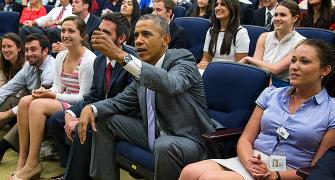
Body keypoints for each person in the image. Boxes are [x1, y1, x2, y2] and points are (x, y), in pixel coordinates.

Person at [76, 14, 216, 180]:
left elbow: (170, 84)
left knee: (165, 146)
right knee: (103, 120)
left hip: (188, 140)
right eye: (136, 35)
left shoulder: (183, 59)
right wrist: (91, 108)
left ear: (165, 39)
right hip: (153, 134)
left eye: (146, 34)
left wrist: (118, 54)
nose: (139, 40)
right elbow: (120, 101)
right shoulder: (142, 69)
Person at [179, 39, 335, 180]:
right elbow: (246, 139)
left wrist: (276, 174)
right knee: (190, 171)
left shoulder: (331, 110)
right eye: (293, 60)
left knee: (211, 179)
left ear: (325, 70)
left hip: (288, 172)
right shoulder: (271, 94)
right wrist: (250, 164)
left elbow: (318, 169)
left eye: (304, 61)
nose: (294, 66)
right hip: (253, 159)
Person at [46, 13, 136, 179]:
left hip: (120, 117)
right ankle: (71, 170)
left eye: (106, 33)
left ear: (121, 38)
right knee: (58, 120)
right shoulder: (100, 60)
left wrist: (86, 115)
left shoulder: (132, 62)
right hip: (99, 109)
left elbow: (126, 104)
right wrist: (71, 113)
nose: (99, 35)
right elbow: (92, 96)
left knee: (85, 127)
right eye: (99, 30)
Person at [13, 16, 96, 179]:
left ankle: (33, 164)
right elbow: (58, 87)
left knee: (36, 106)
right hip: (62, 98)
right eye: (63, 30)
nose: (65, 34)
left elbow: (84, 97)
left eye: (71, 31)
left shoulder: (89, 60)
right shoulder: (61, 56)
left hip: (78, 104)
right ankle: (23, 160)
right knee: (24, 102)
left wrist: (52, 94)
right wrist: (46, 91)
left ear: (82, 35)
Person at [0, 33, 55, 162]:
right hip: (29, 104)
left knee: (29, 108)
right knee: (11, 99)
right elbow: (8, 88)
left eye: (33, 49)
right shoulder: (29, 67)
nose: (29, 53)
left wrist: (8, 113)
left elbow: (42, 101)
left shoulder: (50, 69)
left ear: (45, 51)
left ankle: (3, 146)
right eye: (27, 50)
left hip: (50, 108)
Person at [241, 0, 305, 87]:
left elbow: (276, 69)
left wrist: (249, 59)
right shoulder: (263, 36)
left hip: (282, 85)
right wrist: (266, 77)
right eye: (275, 15)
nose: (277, 19)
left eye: (283, 15)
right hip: (260, 78)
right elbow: (256, 68)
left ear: (295, 18)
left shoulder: (301, 42)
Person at [197, 0, 250, 69]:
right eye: (216, 5)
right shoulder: (211, 30)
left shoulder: (241, 33)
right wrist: (201, 65)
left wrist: (213, 67)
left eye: (222, 4)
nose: (218, 8)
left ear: (232, 8)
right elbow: (205, 59)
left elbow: (239, 67)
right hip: (211, 70)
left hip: (229, 72)